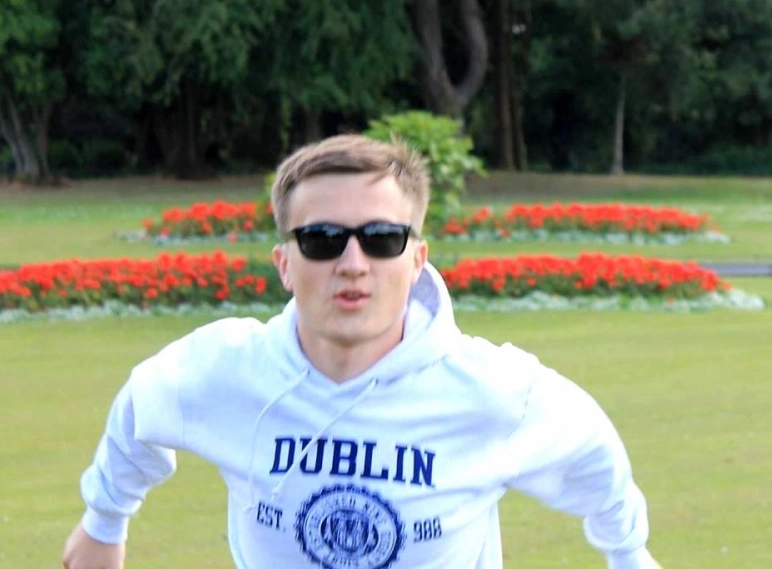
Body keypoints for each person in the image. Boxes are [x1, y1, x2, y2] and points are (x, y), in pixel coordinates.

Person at [62, 134, 663, 569]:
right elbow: (141, 406)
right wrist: (103, 524)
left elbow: (594, 455)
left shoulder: (494, 391)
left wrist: (629, 553)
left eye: (381, 238)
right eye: (322, 239)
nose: (353, 263)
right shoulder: (227, 368)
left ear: (417, 260)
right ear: (284, 264)